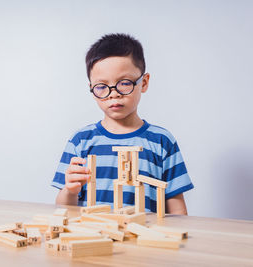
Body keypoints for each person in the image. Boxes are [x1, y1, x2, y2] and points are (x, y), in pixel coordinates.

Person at [52, 33, 194, 215]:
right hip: (94, 237)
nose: (114, 94)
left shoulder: (162, 141)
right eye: (102, 86)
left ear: (144, 82)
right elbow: (63, 207)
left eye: (124, 83)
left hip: (144, 239)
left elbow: (176, 208)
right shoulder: (81, 141)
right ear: (91, 89)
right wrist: (69, 190)